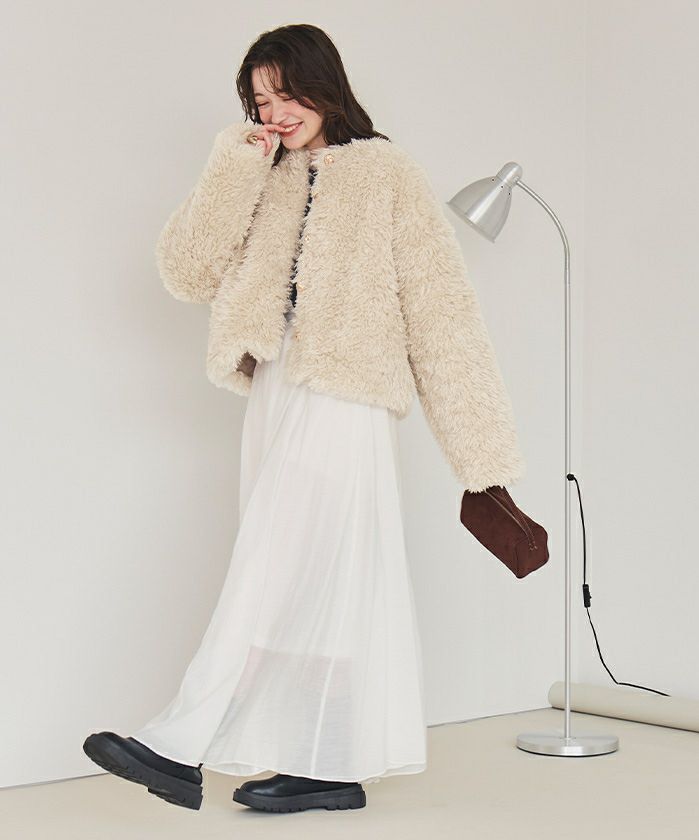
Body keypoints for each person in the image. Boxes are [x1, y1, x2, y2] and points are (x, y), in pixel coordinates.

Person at [83, 22, 525, 816]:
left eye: (286, 95)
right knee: (311, 577)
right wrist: (235, 167)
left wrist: (481, 459)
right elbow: (187, 271)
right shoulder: (261, 172)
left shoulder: (387, 173)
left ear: (325, 87)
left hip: (346, 392)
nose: (276, 114)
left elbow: (443, 315)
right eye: (260, 102)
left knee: (273, 561)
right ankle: (324, 763)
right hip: (278, 389)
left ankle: (179, 743)